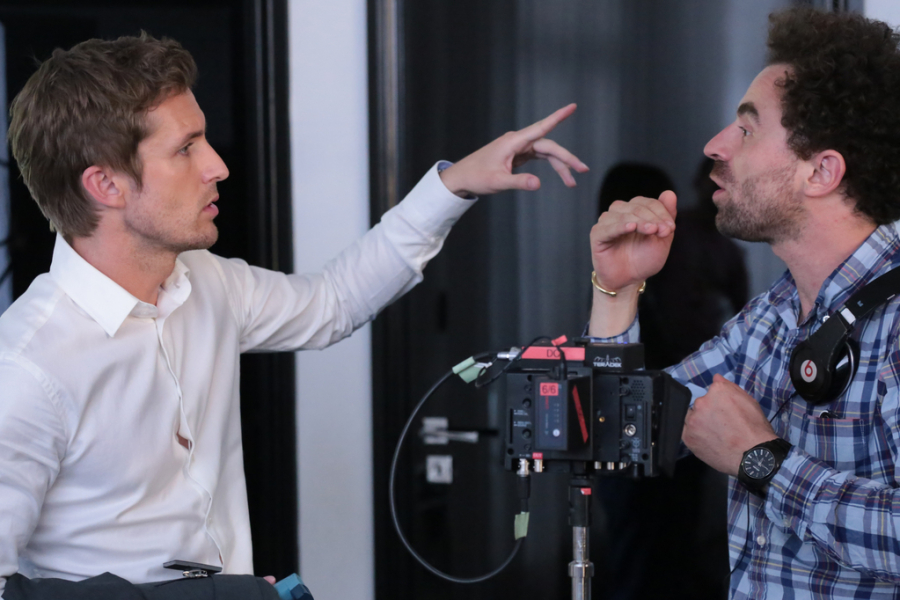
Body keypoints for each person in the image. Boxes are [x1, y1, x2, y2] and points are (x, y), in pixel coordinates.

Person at [0, 33, 588, 595]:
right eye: (185, 148)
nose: (217, 166)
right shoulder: (26, 370)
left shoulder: (207, 284)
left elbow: (332, 302)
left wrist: (455, 184)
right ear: (105, 184)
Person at [588, 7, 900, 599]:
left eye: (747, 129)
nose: (714, 145)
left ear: (821, 172)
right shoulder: (769, 319)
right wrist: (617, 291)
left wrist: (764, 462)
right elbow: (618, 438)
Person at [595, 160, 745, 600]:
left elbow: (732, 310)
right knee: (643, 543)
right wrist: (615, 293)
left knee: (665, 541)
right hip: (651, 411)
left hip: (681, 404)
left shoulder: (702, 246)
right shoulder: (630, 264)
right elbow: (610, 418)